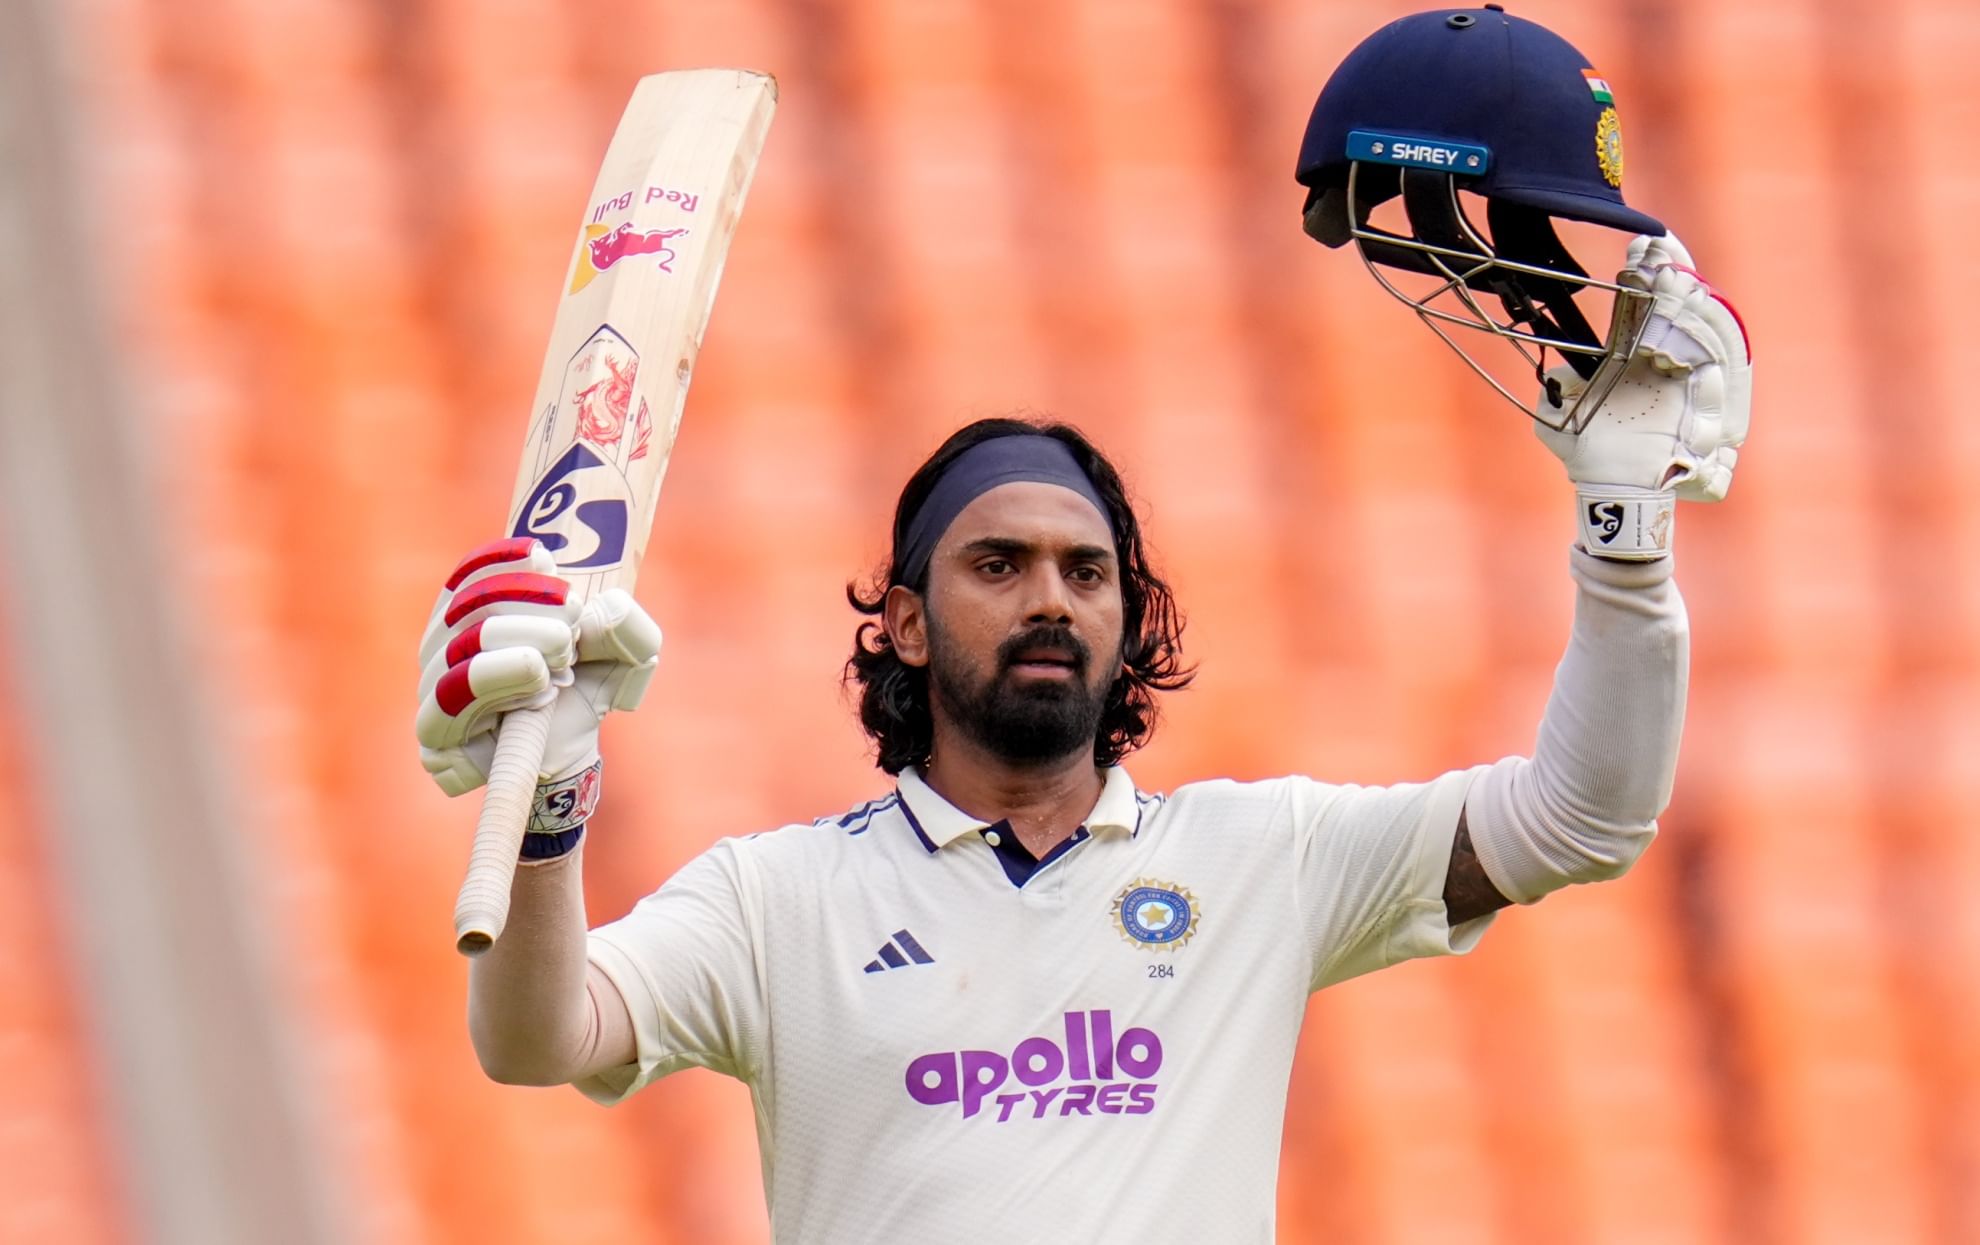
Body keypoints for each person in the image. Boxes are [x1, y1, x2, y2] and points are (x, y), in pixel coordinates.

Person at [414, 8, 1750, 1241]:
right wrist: (550, 807)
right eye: (998, 563)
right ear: (909, 623)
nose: (1052, 595)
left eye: (1087, 570)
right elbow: (538, 1037)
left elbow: (1585, 817)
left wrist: (1625, 540)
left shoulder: (1258, 861)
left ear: (1128, 617)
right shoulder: (783, 900)